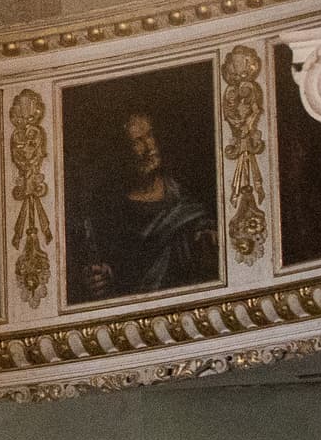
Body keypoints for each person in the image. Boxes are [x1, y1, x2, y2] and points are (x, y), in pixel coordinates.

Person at [75, 109, 218, 300]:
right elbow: (110, 266)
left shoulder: (180, 188)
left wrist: (207, 235)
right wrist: (100, 276)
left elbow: (201, 222)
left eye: (150, 135)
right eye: (137, 141)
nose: (149, 146)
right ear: (121, 151)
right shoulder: (108, 208)